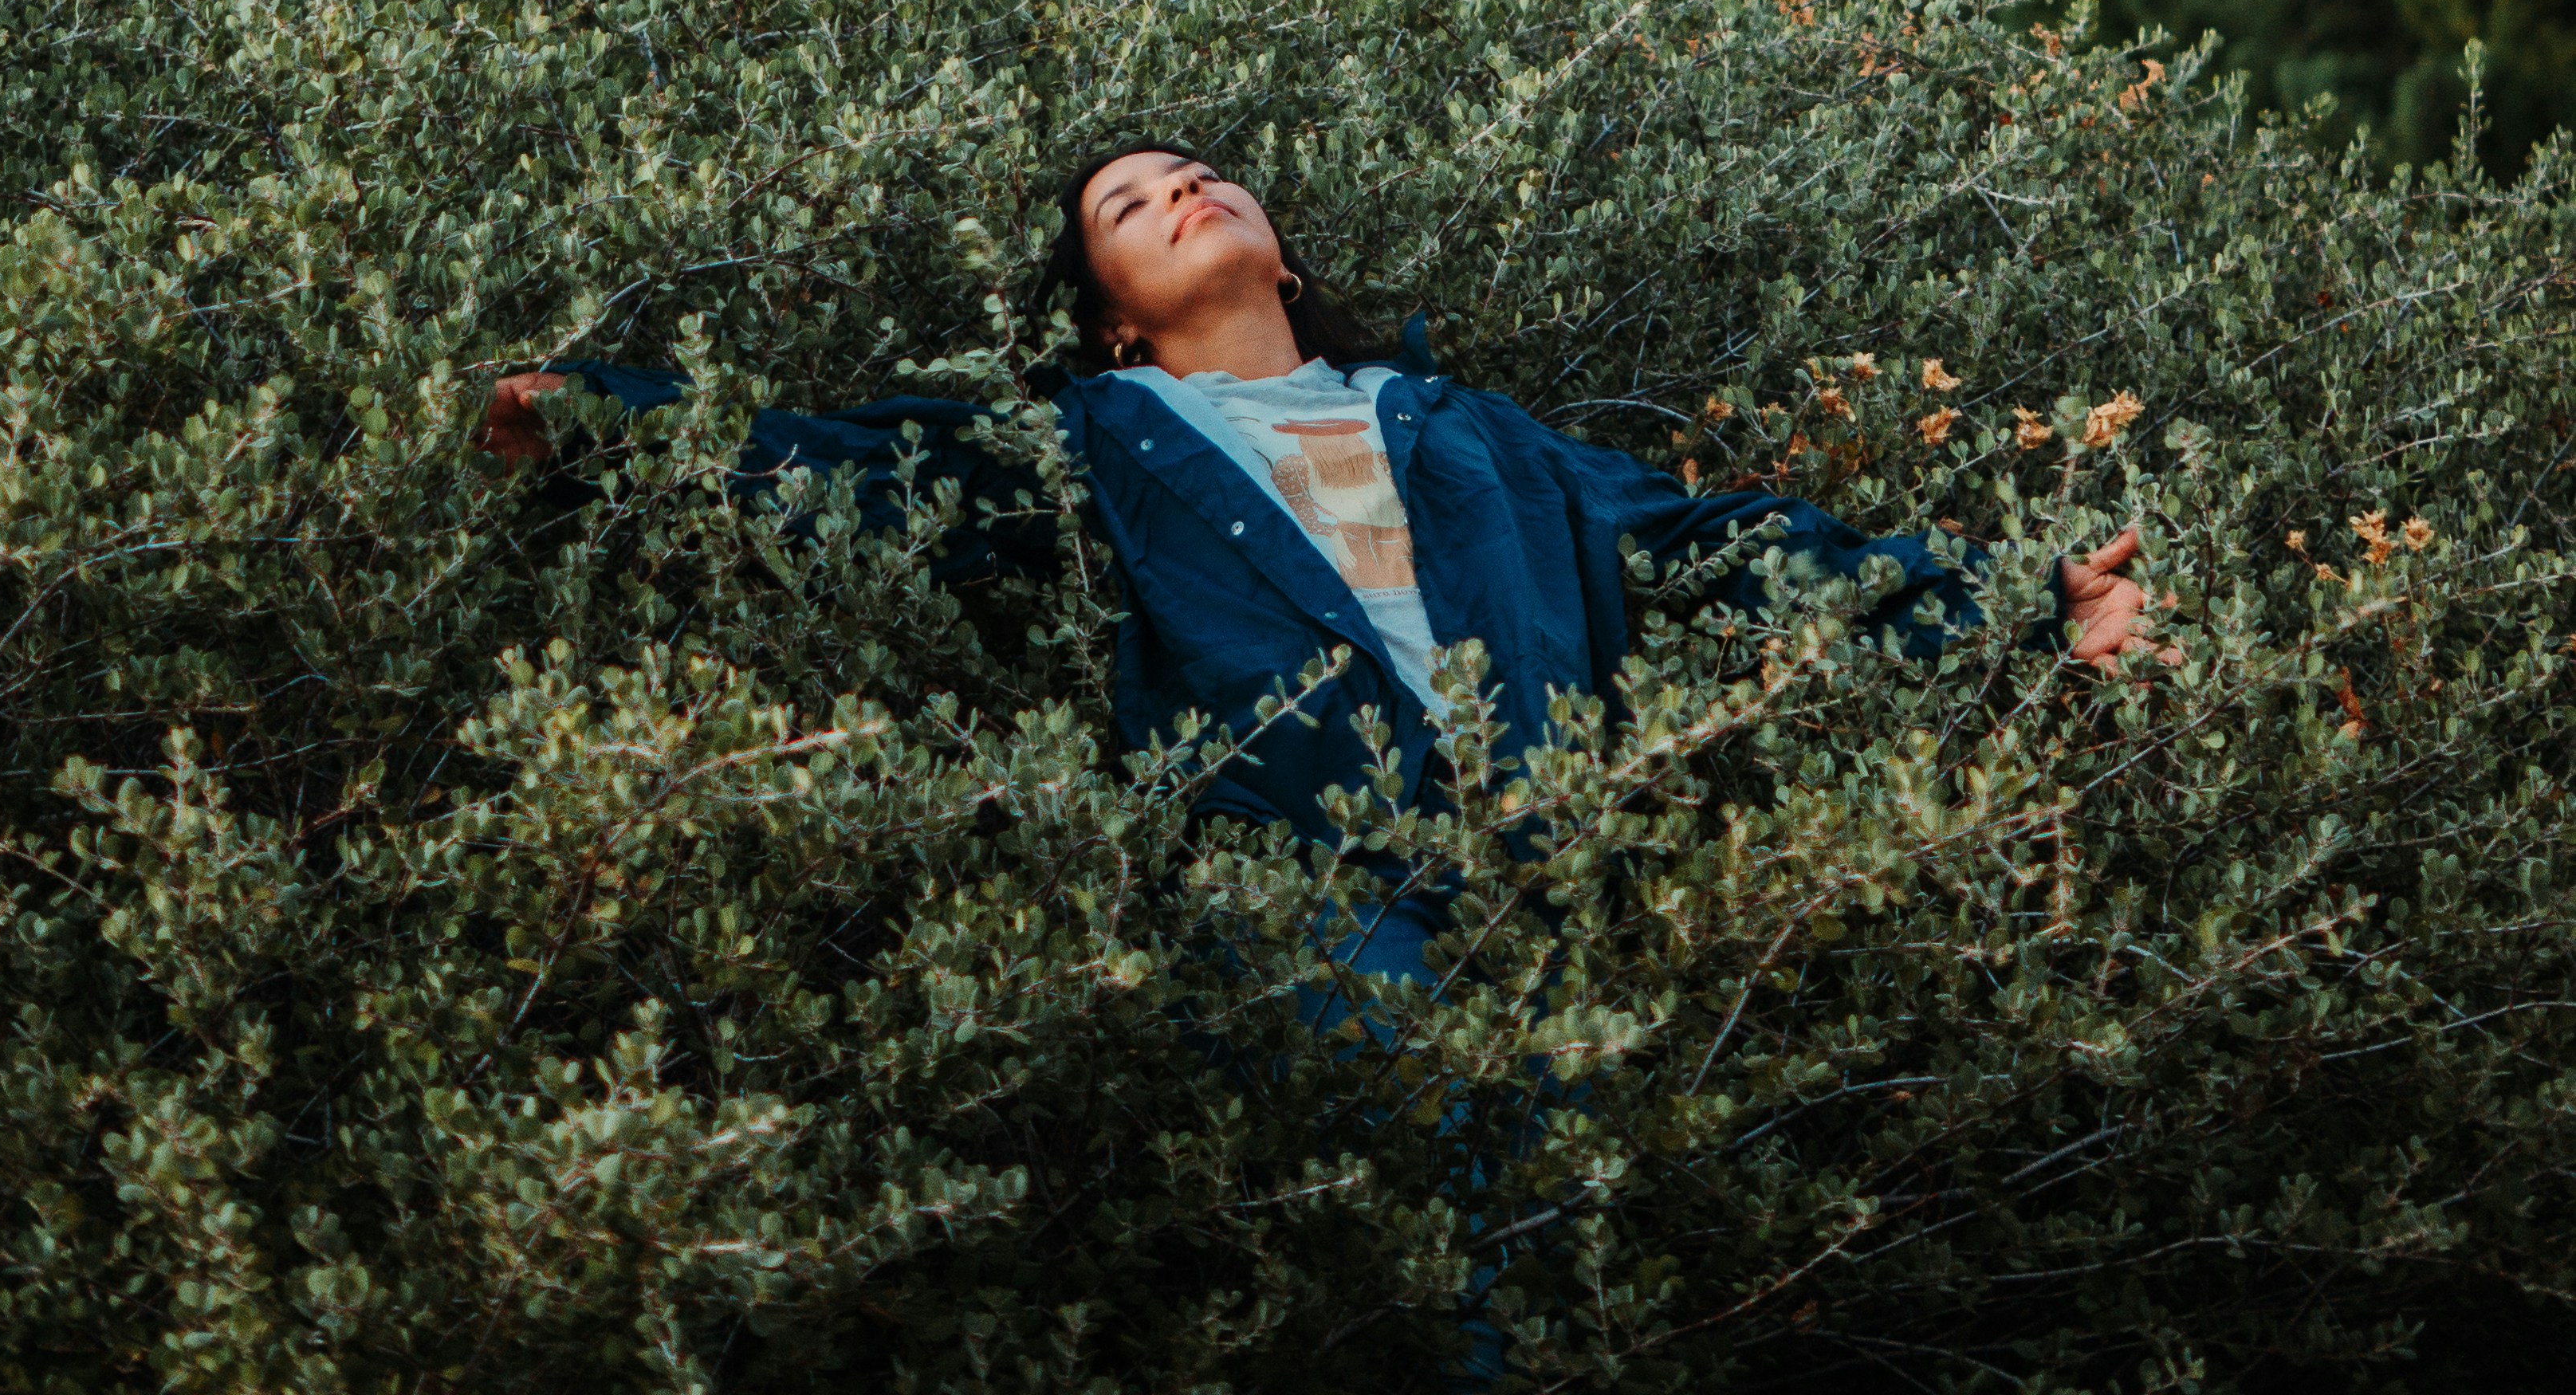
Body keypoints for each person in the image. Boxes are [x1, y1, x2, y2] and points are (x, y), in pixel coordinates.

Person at [479, 137, 2152, 946]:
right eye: (1132, 207)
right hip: (1309, 897)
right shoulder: (1099, 442)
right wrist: (594, 419)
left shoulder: (1463, 425)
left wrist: (2016, 596)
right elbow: (844, 469)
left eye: (1200, 175)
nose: (1183, 191)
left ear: (1280, 251)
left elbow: (1715, 545)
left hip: (1554, 885)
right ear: (1115, 320)